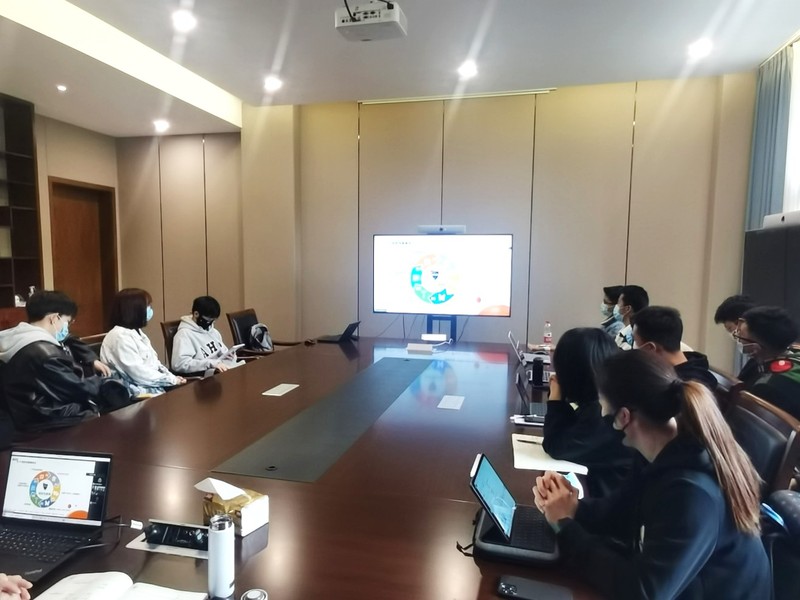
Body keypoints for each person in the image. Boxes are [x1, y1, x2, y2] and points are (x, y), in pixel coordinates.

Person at [533, 351, 770, 600]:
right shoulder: (657, 453)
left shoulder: (691, 492)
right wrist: (573, 509)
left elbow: (644, 593)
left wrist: (566, 527)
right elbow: (620, 515)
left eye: (604, 408)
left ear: (624, 417)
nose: (602, 417)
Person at [0, 291, 128, 431]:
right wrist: (106, 383)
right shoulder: (46, 354)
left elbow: (69, 339)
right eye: (67, 322)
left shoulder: (19, 337)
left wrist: (91, 360)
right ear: (54, 318)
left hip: (26, 413)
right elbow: (77, 389)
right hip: (44, 418)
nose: (67, 328)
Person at [542, 328, 632, 497]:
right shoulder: (610, 396)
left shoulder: (605, 412)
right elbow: (574, 429)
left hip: (610, 505)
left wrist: (556, 400)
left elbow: (556, 446)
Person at [101, 288, 185, 393]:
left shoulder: (136, 331)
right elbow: (138, 373)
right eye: (147, 306)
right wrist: (171, 380)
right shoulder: (119, 336)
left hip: (152, 388)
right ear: (134, 310)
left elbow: (155, 363)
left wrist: (172, 377)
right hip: (134, 394)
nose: (150, 309)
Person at [735, 306, 800, 420]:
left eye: (741, 338)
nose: (739, 340)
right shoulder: (794, 353)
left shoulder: (766, 389)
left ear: (755, 348)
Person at [632, 306, 717, 391]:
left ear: (650, 348)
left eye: (635, 340)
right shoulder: (691, 368)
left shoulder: (681, 388)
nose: (633, 347)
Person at [172, 296, 239, 375]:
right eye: (208, 320)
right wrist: (210, 363)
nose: (210, 323)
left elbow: (223, 352)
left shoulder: (213, 331)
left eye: (213, 320)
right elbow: (179, 364)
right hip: (204, 375)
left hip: (221, 370)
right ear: (196, 314)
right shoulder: (184, 335)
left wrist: (229, 356)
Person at [714, 294, 757, 380]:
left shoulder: (765, 360)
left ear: (740, 323)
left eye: (730, 329)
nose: (733, 335)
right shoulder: (754, 361)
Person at [614, 284, 649, 350]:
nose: (616, 306)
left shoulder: (633, 338)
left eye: (618, 303)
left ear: (627, 308)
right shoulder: (623, 332)